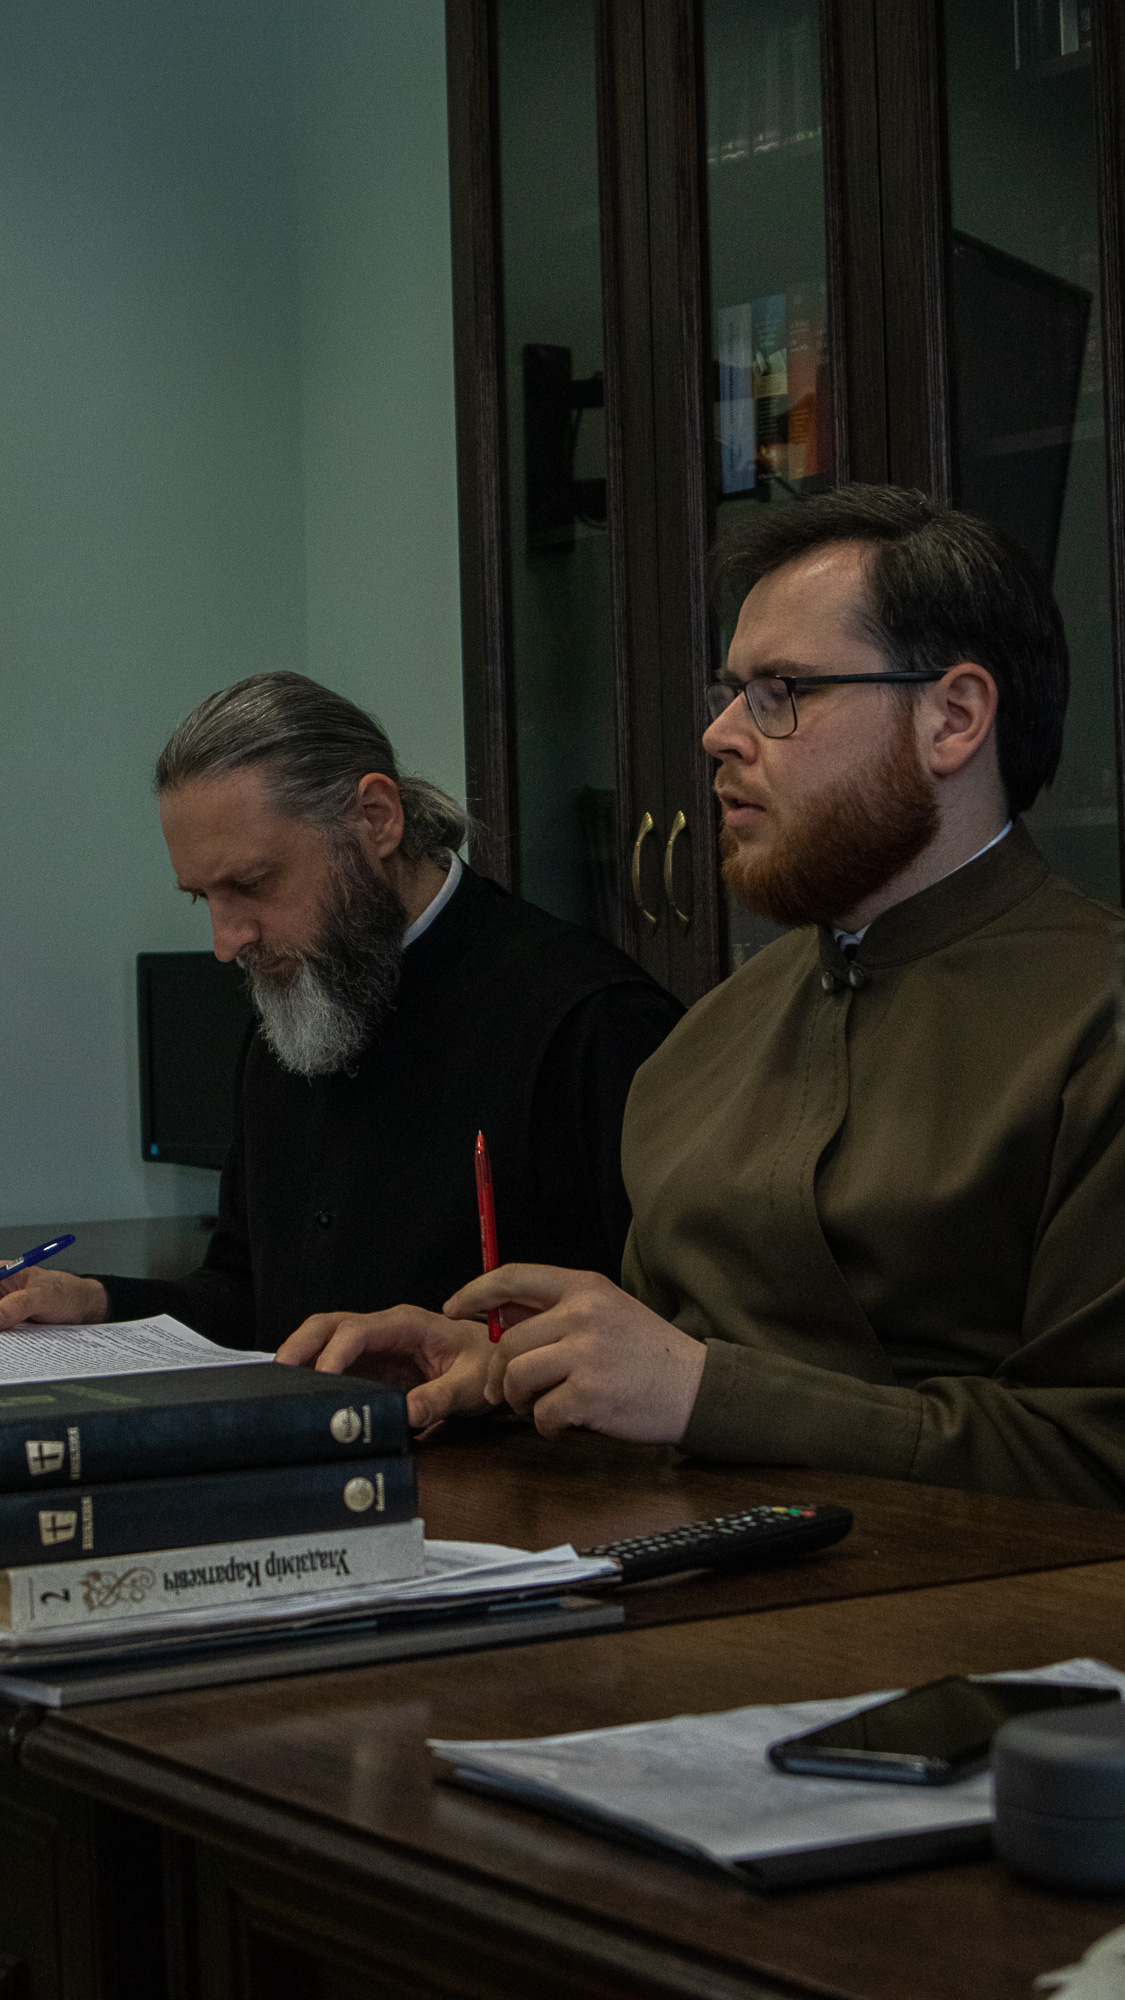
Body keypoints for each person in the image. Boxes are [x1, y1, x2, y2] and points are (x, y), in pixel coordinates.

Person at [277, 486, 1125, 1507]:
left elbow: (1095, 1451)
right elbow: (660, 1374)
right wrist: (504, 1370)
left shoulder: (1098, 1021)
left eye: (781, 691)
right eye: (730, 692)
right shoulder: (707, 1035)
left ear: (952, 718)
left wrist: (708, 1393)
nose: (720, 732)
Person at [0, 674, 681, 1349]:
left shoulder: (591, 1022)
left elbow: (663, 1345)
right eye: (203, 898)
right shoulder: (295, 1006)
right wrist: (96, 1302)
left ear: (376, 818)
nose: (226, 942)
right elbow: (248, 1298)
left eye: (253, 883)